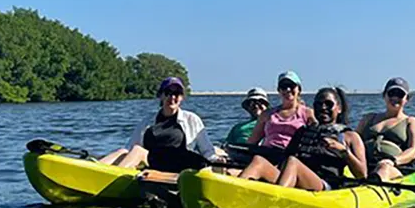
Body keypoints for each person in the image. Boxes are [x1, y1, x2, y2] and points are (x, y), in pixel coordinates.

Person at [239, 86, 367, 191]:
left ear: (338, 108)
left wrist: (344, 152)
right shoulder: (303, 131)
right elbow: (285, 159)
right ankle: (234, 196)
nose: (323, 108)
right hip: (293, 180)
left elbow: (362, 174)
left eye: (328, 104)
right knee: (259, 161)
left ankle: (276, 200)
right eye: (318, 104)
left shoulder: (350, 136)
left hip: (324, 186)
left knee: (293, 162)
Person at [99, 77, 227, 172]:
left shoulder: (191, 119)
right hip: (152, 163)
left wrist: (216, 160)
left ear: (181, 97)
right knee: (122, 151)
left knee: (138, 151)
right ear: (161, 96)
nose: (172, 97)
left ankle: (112, 179)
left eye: (176, 93)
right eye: (168, 93)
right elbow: (129, 148)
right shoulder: (147, 121)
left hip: (179, 165)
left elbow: (207, 150)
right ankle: (93, 170)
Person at [356, 77, 415, 181]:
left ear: (407, 99)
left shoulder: (411, 122)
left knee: (384, 168)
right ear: (384, 95)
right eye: (391, 93)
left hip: (395, 168)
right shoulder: (368, 119)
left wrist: (393, 160)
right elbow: (353, 140)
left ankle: (375, 183)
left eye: (400, 94)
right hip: (367, 166)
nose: (395, 97)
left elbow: (413, 151)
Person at [247, 70, 316, 155]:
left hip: (291, 157)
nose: (288, 89)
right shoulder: (267, 115)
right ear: (278, 90)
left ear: (299, 89)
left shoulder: (308, 113)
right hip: (267, 154)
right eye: (284, 86)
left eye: (291, 86)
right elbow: (251, 142)